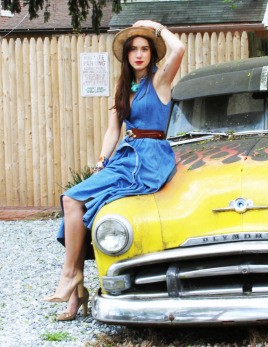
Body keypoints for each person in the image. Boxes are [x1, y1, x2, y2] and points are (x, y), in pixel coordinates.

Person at [43, 20, 185, 321]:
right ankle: (76, 289)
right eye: (133, 49)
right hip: (124, 157)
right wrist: (99, 164)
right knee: (79, 205)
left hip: (148, 161)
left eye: (144, 49)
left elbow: (180, 47)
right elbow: (112, 131)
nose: (138, 54)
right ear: (125, 55)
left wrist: (154, 26)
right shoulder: (123, 87)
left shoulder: (160, 81)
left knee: (71, 199)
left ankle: (70, 277)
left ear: (152, 54)